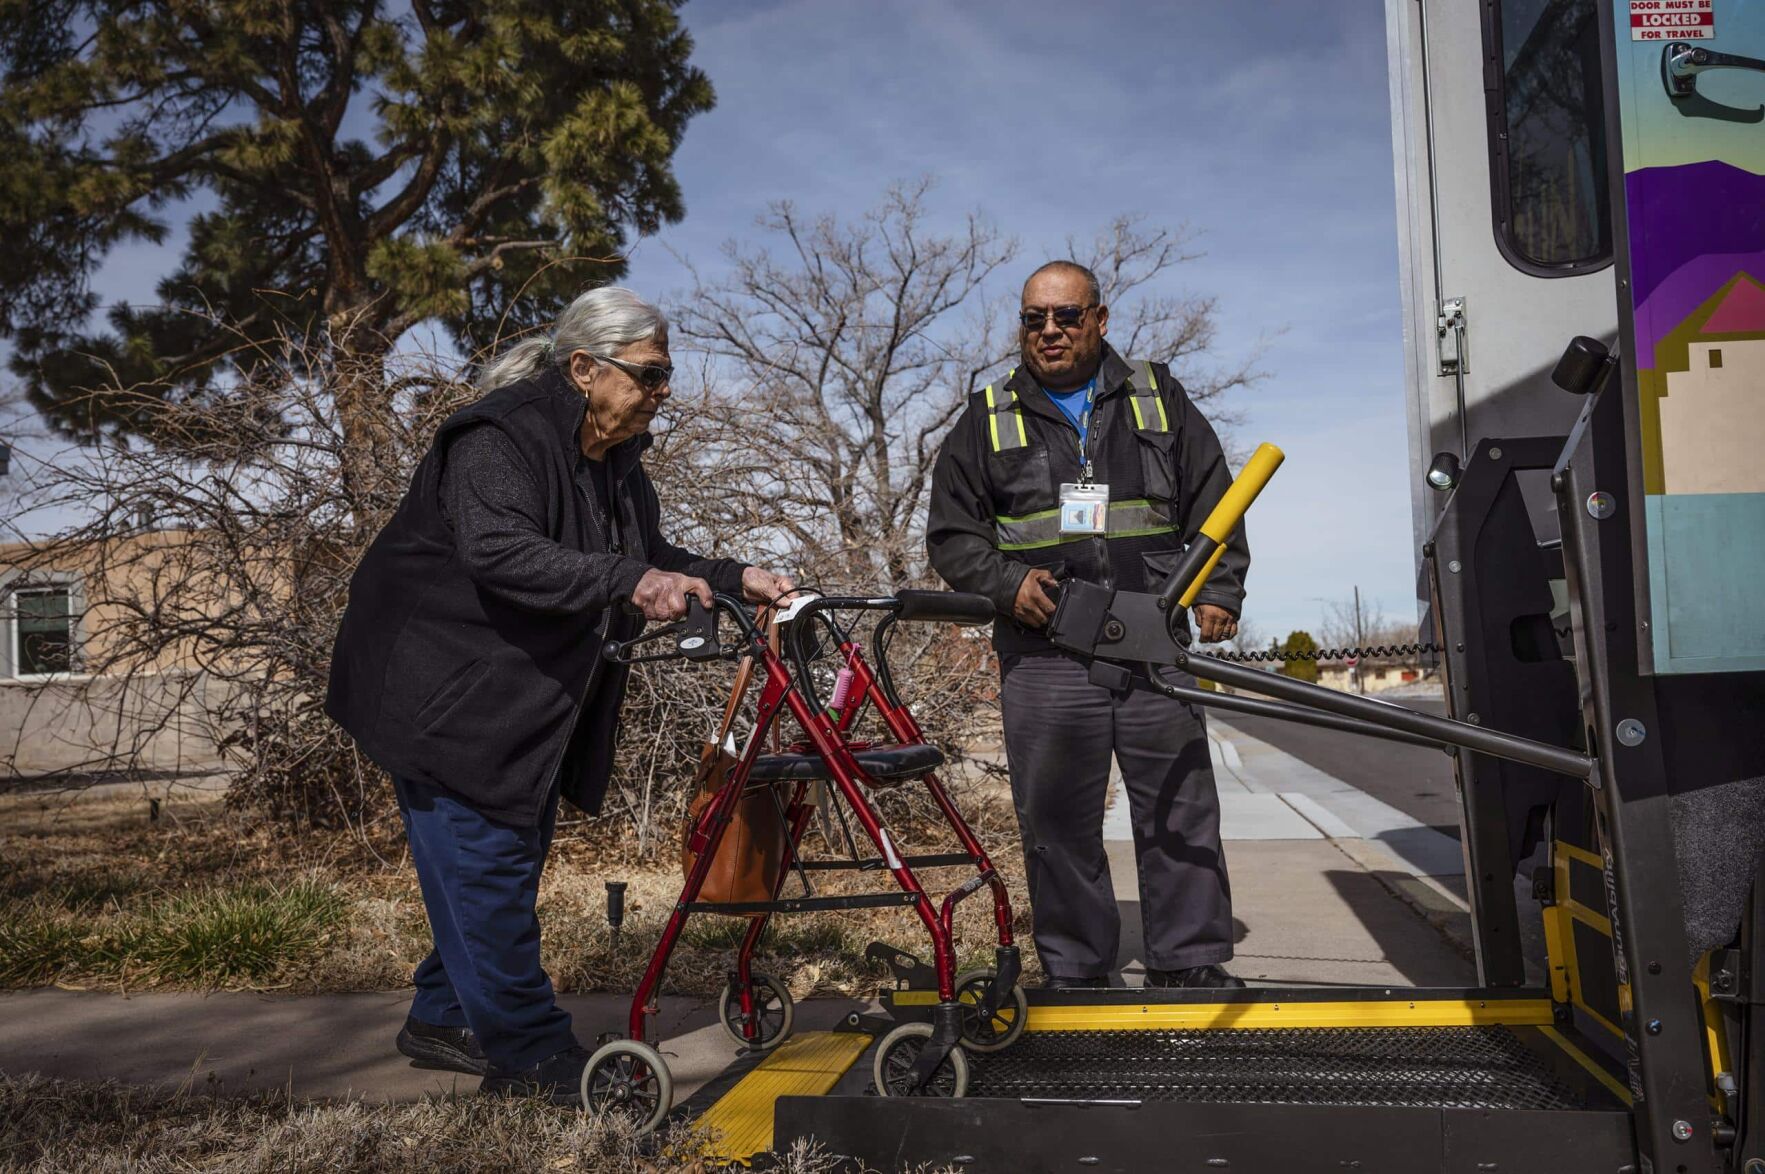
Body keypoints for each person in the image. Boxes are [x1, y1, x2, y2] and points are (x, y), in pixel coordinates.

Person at [325, 286, 794, 1102]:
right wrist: (633, 578)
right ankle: (531, 1055)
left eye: (666, 374)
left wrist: (732, 577)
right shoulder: (498, 437)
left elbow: (648, 551)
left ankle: (443, 1014)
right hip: (440, 692)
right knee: (490, 866)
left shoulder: (613, 463)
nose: (663, 391)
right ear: (584, 368)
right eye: (650, 375)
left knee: (500, 861)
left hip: (513, 696)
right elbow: (500, 550)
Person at [927, 261, 1249, 990]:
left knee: (1178, 809)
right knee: (1056, 823)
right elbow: (951, 537)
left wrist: (1218, 588)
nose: (1048, 331)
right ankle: (1076, 971)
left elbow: (1214, 503)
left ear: (1099, 321)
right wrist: (1008, 586)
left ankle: (1189, 961)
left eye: (1065, 316)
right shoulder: (986, 416)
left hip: (1152, 644)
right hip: (1045, 654)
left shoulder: (1158, 400)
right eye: (1033, 318)